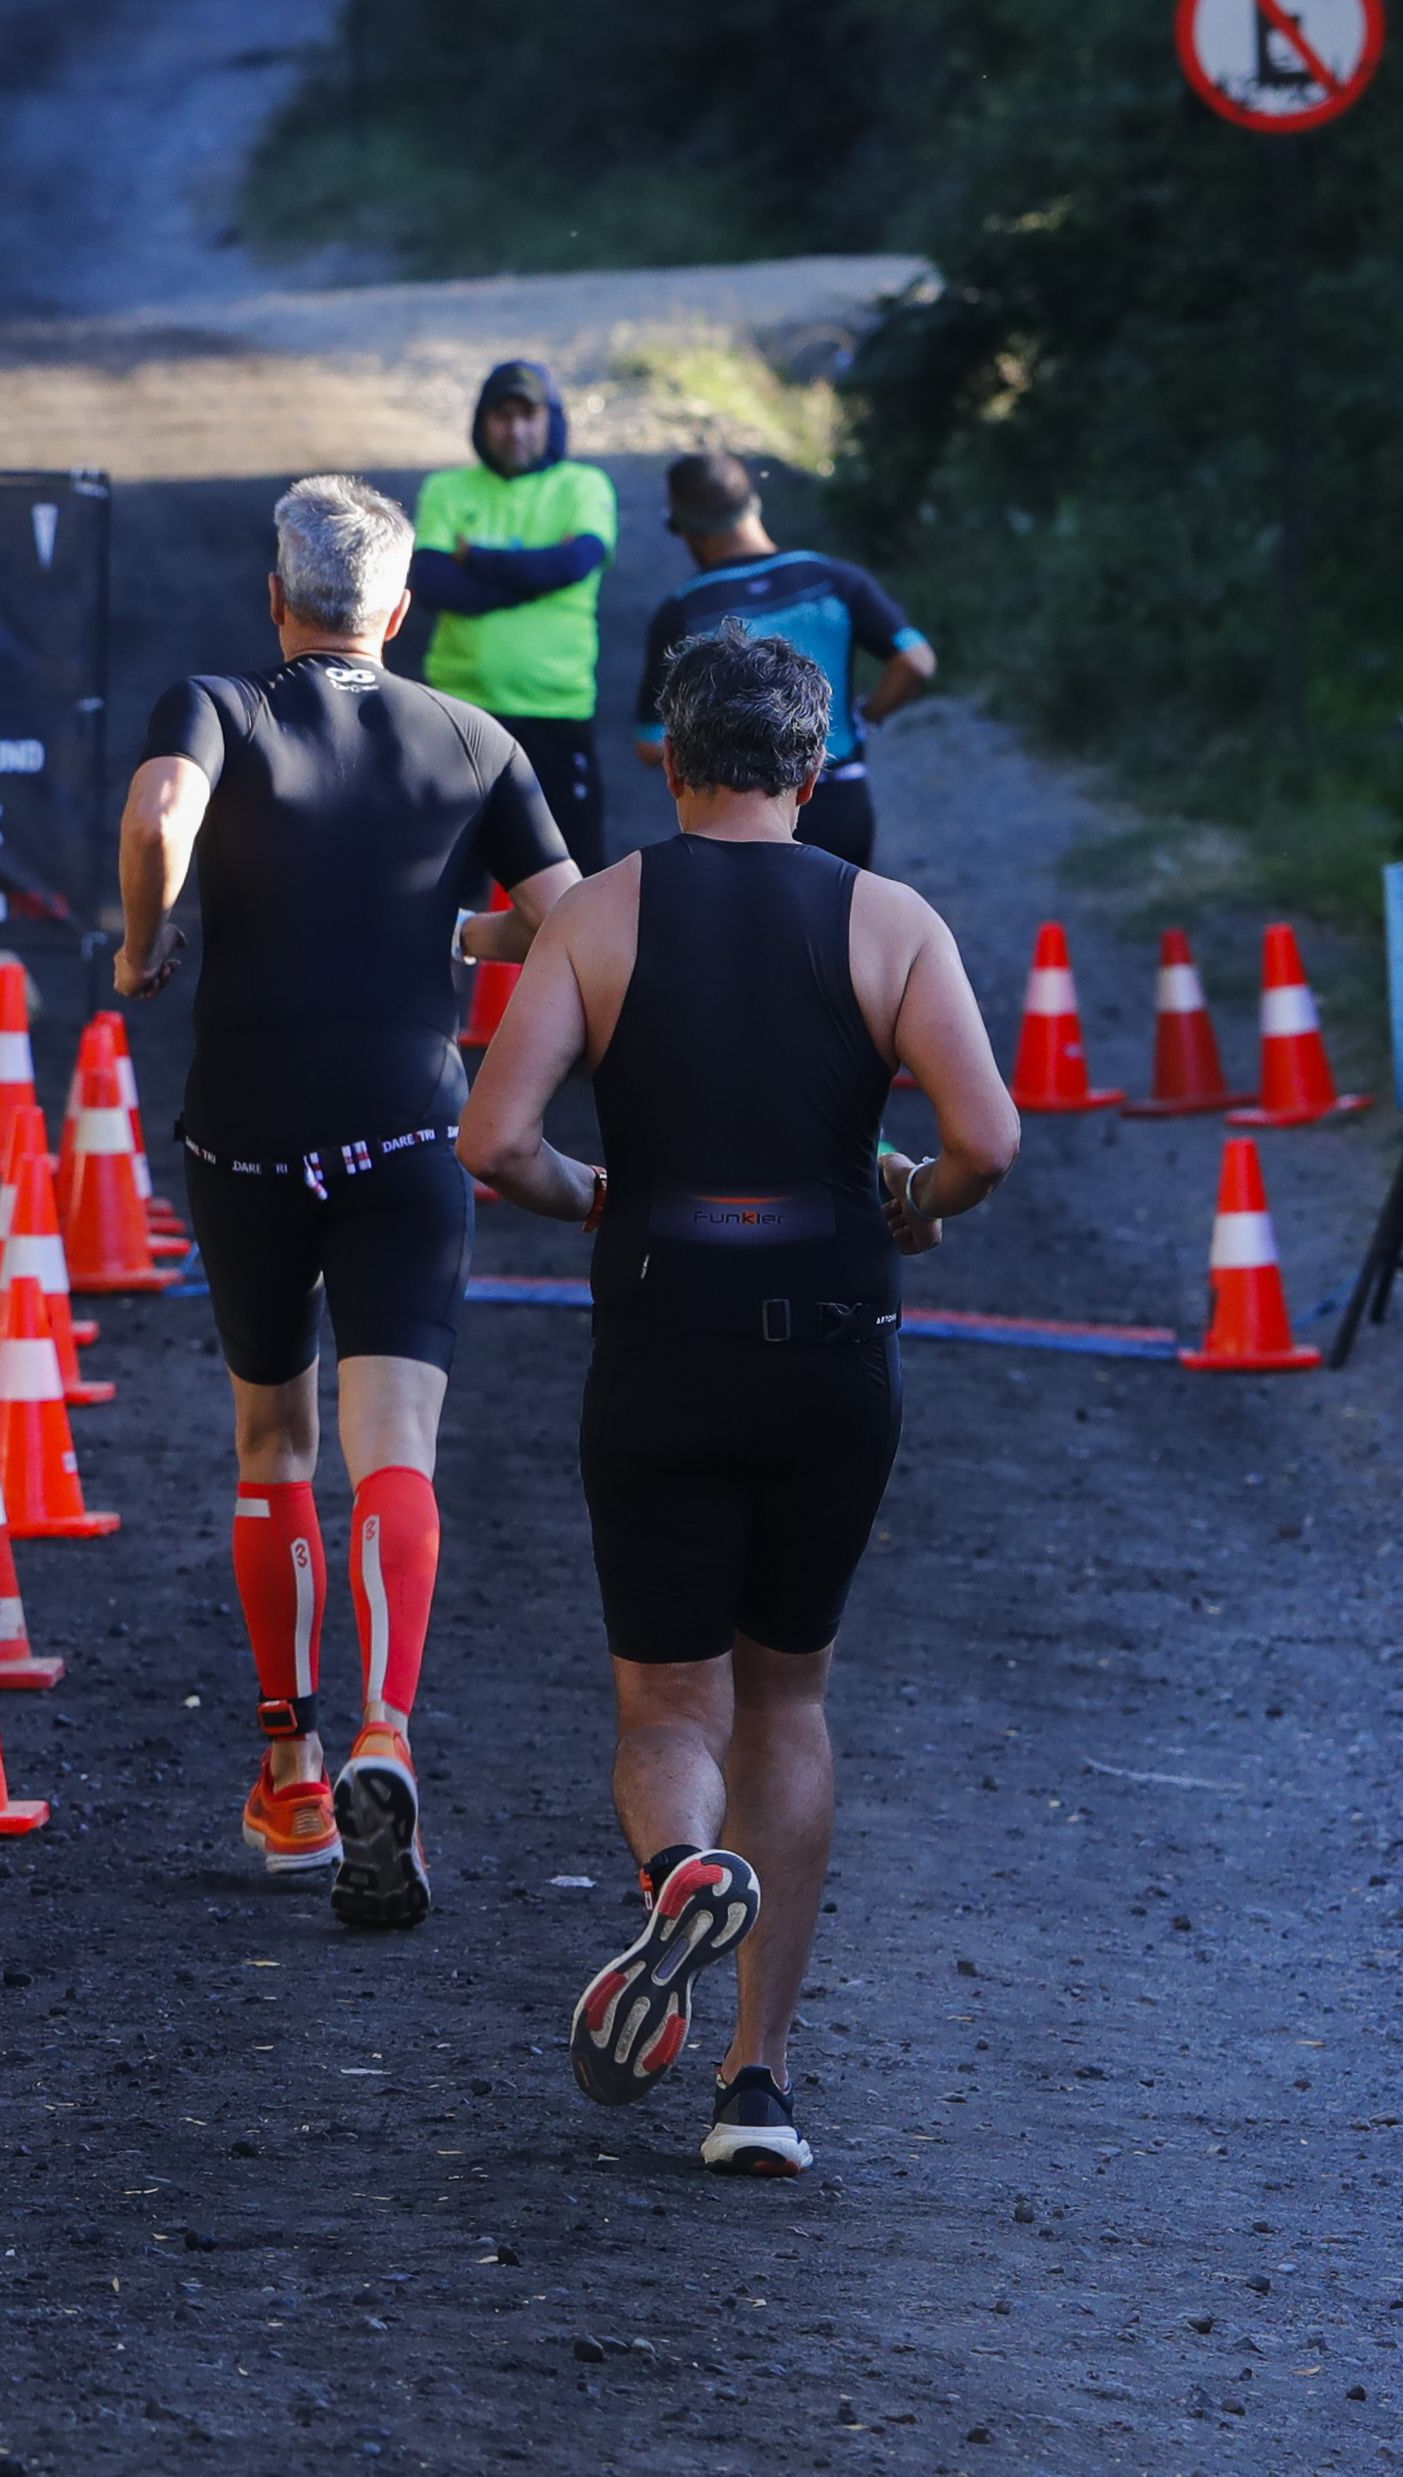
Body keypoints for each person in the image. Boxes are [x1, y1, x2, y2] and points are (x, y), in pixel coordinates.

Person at [458, 623, 1016, 2177]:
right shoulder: (889, 920)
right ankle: (754, 2089)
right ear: (817, 763)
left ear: (664, 758)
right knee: (786, 1698)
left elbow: (490, 1142)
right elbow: (990, 1141)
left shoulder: (599, 916)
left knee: (664, 1704)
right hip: (833, 1346)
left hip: (661, 1336)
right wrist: (914, 1199)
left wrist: (590, 1195)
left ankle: (681, 1871)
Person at [113, 476, 581, 1929]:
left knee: (272, 1436)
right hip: (403, 1132)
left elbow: (157, 809)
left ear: (274, 600)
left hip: (248, 1138)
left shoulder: (218, 704)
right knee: (397, 1448)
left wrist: (144, 939)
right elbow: (564, 915)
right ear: (395, 612)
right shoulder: (471, 736)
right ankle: (386, 1724)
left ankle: (291, 1769)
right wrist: (454, 926)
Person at [633, 449, 937, 870]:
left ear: (688, 531)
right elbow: (916, 661)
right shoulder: (834, 578)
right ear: (753, 505)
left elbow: (650, 742)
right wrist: (866, 714)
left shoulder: (683, 611)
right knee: (842, 931)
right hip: (839, 799)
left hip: (737, 821)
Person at [408, 362, 617, 872]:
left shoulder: (584, 486)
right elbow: (431, 583)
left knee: (572, 876)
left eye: (529, 415)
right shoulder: (446, 489)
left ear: (553, 421)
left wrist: (476, 557)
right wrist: (536, 580)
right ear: (482, 422)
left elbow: (575, 562)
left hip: (555, 711)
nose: (515, 430)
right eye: (502, 416)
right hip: (457, 711)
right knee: (444, 875)